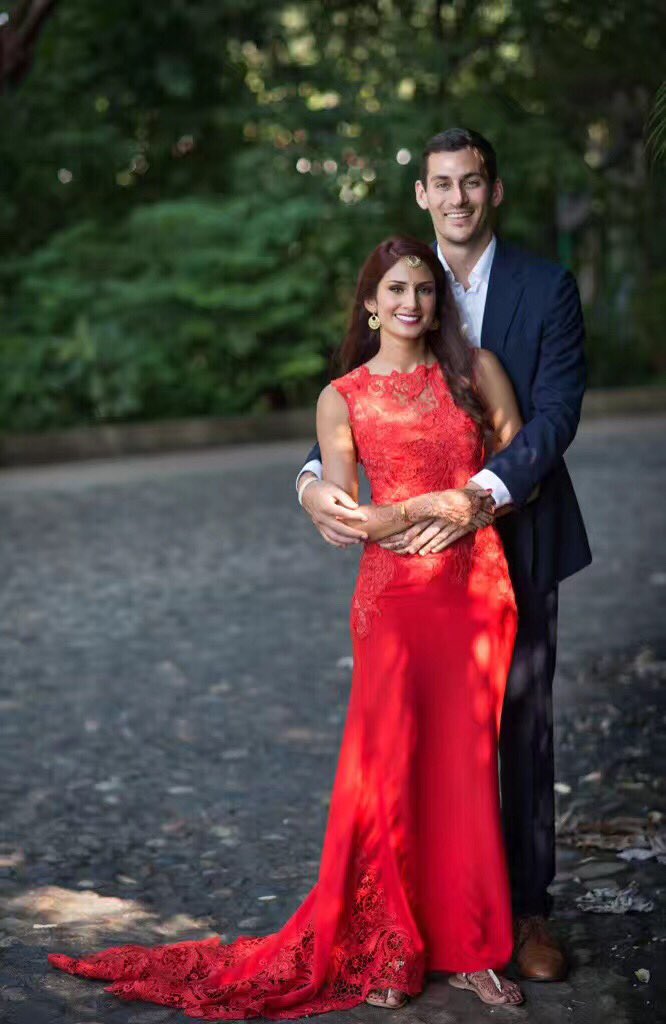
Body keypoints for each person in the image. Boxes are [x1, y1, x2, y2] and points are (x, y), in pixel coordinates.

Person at [49, 236, 526, 1014]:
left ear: (439, 302)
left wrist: (451, 508)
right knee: (390, 773)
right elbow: (346, 511)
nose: (411, 303)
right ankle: (389, 948)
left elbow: (518, 470)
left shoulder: (476, 372)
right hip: (395, 602)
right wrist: (388, 510)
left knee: (468, 769)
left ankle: (475, 948)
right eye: (394, 290)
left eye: (424, 290)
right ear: (369, 304)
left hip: (477, 590)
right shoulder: (343, 396)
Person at [298, 128, 591, 982]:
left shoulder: (547, 288)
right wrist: (313, 483)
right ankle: (414, 913)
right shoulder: (402, 282)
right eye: (442, 184)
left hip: (514, 538)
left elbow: (554, 418)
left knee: (521, 728)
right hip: (407, 571)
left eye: (473, 183)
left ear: (493, 191)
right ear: (423, 194)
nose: (458, 197)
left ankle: (524, 911)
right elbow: (357, 401)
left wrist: (475, 500)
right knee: (416, 743)